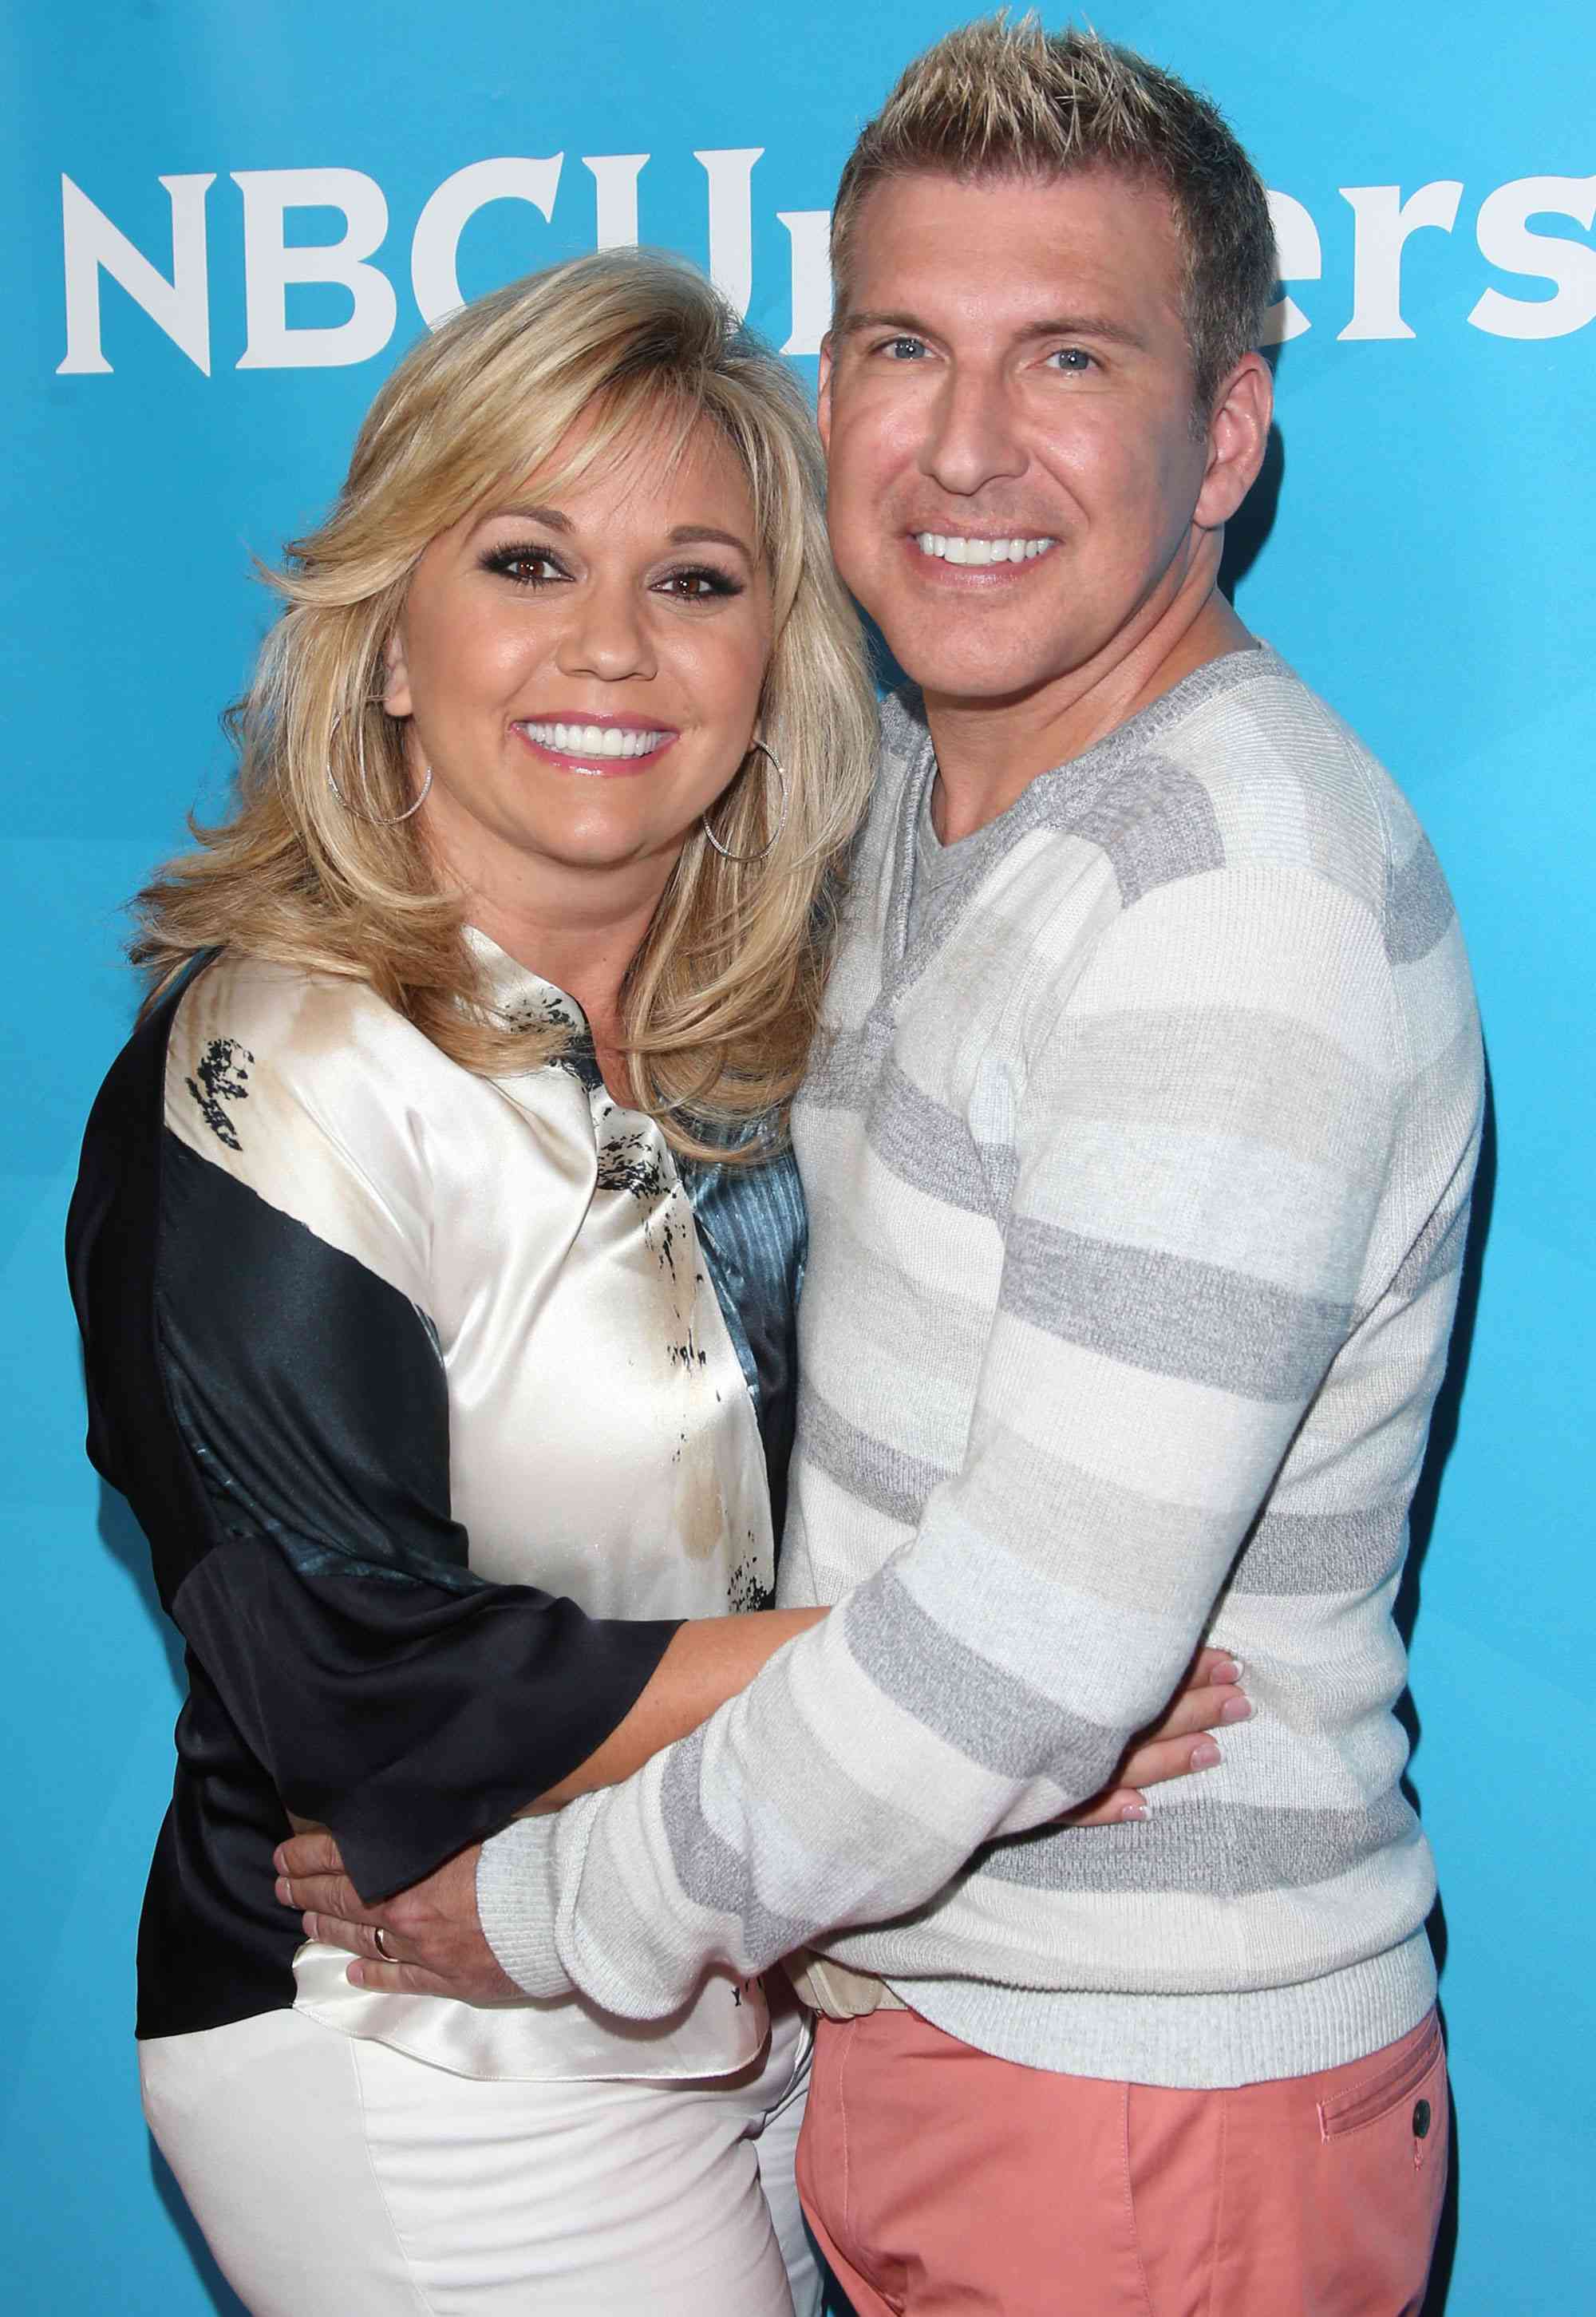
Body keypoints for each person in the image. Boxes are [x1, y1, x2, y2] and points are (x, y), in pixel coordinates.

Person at [281, 21, 1483, 2317]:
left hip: (1139, 2110)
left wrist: (531, 1911)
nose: (962, 446)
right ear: (828, 388)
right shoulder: (924, 826)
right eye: (905, 344)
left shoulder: (1229, 896)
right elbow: (961, 1624)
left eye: (1070, 360)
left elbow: (1027, 1659)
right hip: (941, 2034)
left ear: (1224, 432)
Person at [68, 243, 1238, 2317]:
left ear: (774, 655)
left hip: (735, 1994)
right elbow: (341, 1678)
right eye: (527, 561)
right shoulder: (281, 1061)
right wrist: (986, 1668)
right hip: (406, 2038)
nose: (612, 648)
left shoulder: (769, 1058)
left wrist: (993, 1685)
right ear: (393, 640)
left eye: (695, 581)